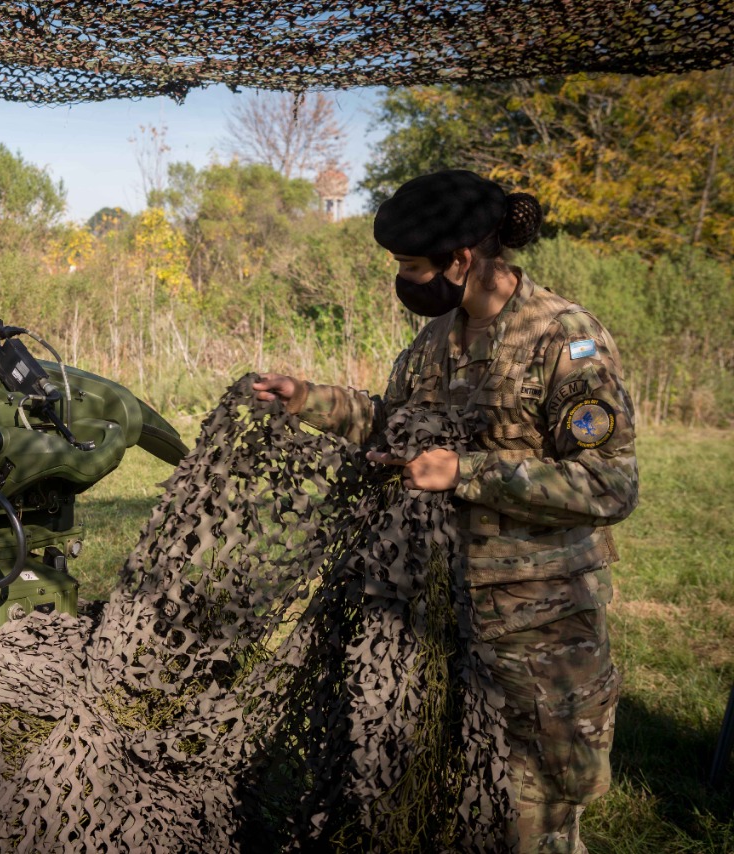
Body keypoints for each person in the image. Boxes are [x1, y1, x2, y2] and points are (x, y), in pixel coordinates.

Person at [253, 169, 639, 853]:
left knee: (532, 824)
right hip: (443, 621)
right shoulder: (439, 340)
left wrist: (468, 472)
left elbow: (608, 484)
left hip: (540, 631)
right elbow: (392, 422)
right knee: (451, 810)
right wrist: (306, 398)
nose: (403, 280)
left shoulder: (565, 340)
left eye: (411, 266)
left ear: (462, 260)